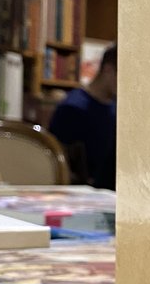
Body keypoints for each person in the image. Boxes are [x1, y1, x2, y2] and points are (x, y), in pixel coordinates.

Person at [49, 44, 117, 189]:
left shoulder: (117, 107)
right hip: (86, 191)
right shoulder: (73, 108)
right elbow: (57, 164)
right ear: (108, 70)